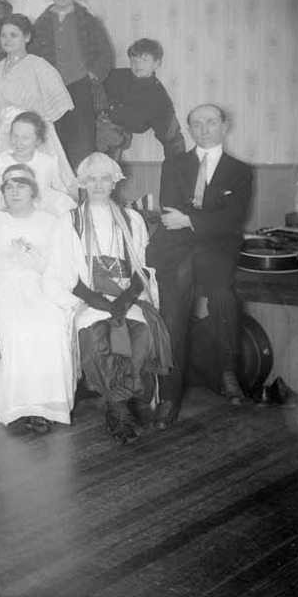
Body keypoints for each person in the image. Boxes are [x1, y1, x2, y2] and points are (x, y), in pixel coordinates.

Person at [146, 104, 253, 426]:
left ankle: (227, 371)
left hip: (217, 248)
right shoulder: (174, 163)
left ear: (224, 125)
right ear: (189, 129)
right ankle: (169, 395)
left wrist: (191, 219)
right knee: (173, 314)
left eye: (211, 122)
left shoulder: (240, 170)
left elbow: (233, 218)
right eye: (196, 124)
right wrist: (201, 219)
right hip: (177, 248)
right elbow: (170, 211)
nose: (204, 129)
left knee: (222, 296)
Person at [62, 153, 173, 445]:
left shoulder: (131, 219)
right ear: (83, 183)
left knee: (142, 332)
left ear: (115, 183)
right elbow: (63, 273)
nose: (98, 185)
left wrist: (125, 299)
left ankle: (116, 404)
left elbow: (143, 266)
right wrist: (100, 303)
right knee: (95, 334)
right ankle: (119, 408)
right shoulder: (70, 221)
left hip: (126, 296)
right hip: (89, 298)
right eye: (92, 179)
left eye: (105, 179)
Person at [0, 164, 77, 435]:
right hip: (2, 285)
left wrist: (33, 257)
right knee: (13, 326)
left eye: (21, 186)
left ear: (33, 190)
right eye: (9, 187)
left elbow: (60, 263)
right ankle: (14, 403)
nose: (15, 192)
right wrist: (7, 257)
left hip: (40, 284)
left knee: (50, 325)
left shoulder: (50, 222)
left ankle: (44, 405)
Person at [29, 0, 115, 170]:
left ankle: (83, 182)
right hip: (51, 91)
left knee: (83, 142)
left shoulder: (88, 20)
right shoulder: (41, 22)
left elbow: (104, 53)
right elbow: (33, 57)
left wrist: (92, 75)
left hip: (81, 88)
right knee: (54, 142)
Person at [0, 13, 76, 196]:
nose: (7, 40)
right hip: (4, 136)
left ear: (27, 37)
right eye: (4, 35)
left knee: (37, 182)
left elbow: (58, 102)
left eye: (14, 35)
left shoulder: (39, 65)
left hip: (32, 134)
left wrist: (36, 124)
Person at [0, 111, 77, 234]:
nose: (18, 143)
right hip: (9, 224)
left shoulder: (48, 163)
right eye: (15, 136)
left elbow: (60, 193)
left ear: (38, 140)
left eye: (25, 138)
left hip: (41, 224)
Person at [101, 39, 186, 162]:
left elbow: (172, 136)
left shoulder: (159, 97)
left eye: (144, 60)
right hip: (92, 126)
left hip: (115, 138)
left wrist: (177, 166)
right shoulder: (116, 76)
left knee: (113, 142)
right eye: (134, 60)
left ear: (157, 63)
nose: (138, 65)